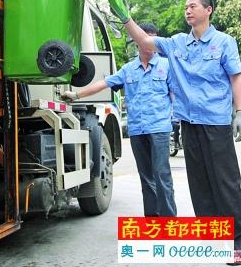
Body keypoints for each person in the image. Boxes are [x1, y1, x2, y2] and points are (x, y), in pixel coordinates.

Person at [122, 0, 241, 265]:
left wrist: (239, 113)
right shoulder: (177, 43)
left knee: (225, 183)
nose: (188, 10)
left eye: (193, 6)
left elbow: (236, 78)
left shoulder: (223, 42)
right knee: (200, 184)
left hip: (216, 124)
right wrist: (126, 19)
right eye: (186, 7)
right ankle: (214, 238)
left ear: (209, 10)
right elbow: (145, 41)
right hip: (189, 125)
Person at [62, 23, 177, 217]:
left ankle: (169, 221)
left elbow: (176, 94)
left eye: (153, 39)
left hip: (159, 129)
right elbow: (102, 84)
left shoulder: (167, 66)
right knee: (146, 178)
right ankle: (152, 221)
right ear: (137, 41)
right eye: (145, 38)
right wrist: (76, 95)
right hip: (137, 130)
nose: (149, 43)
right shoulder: (129, 69)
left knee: (162, 175)